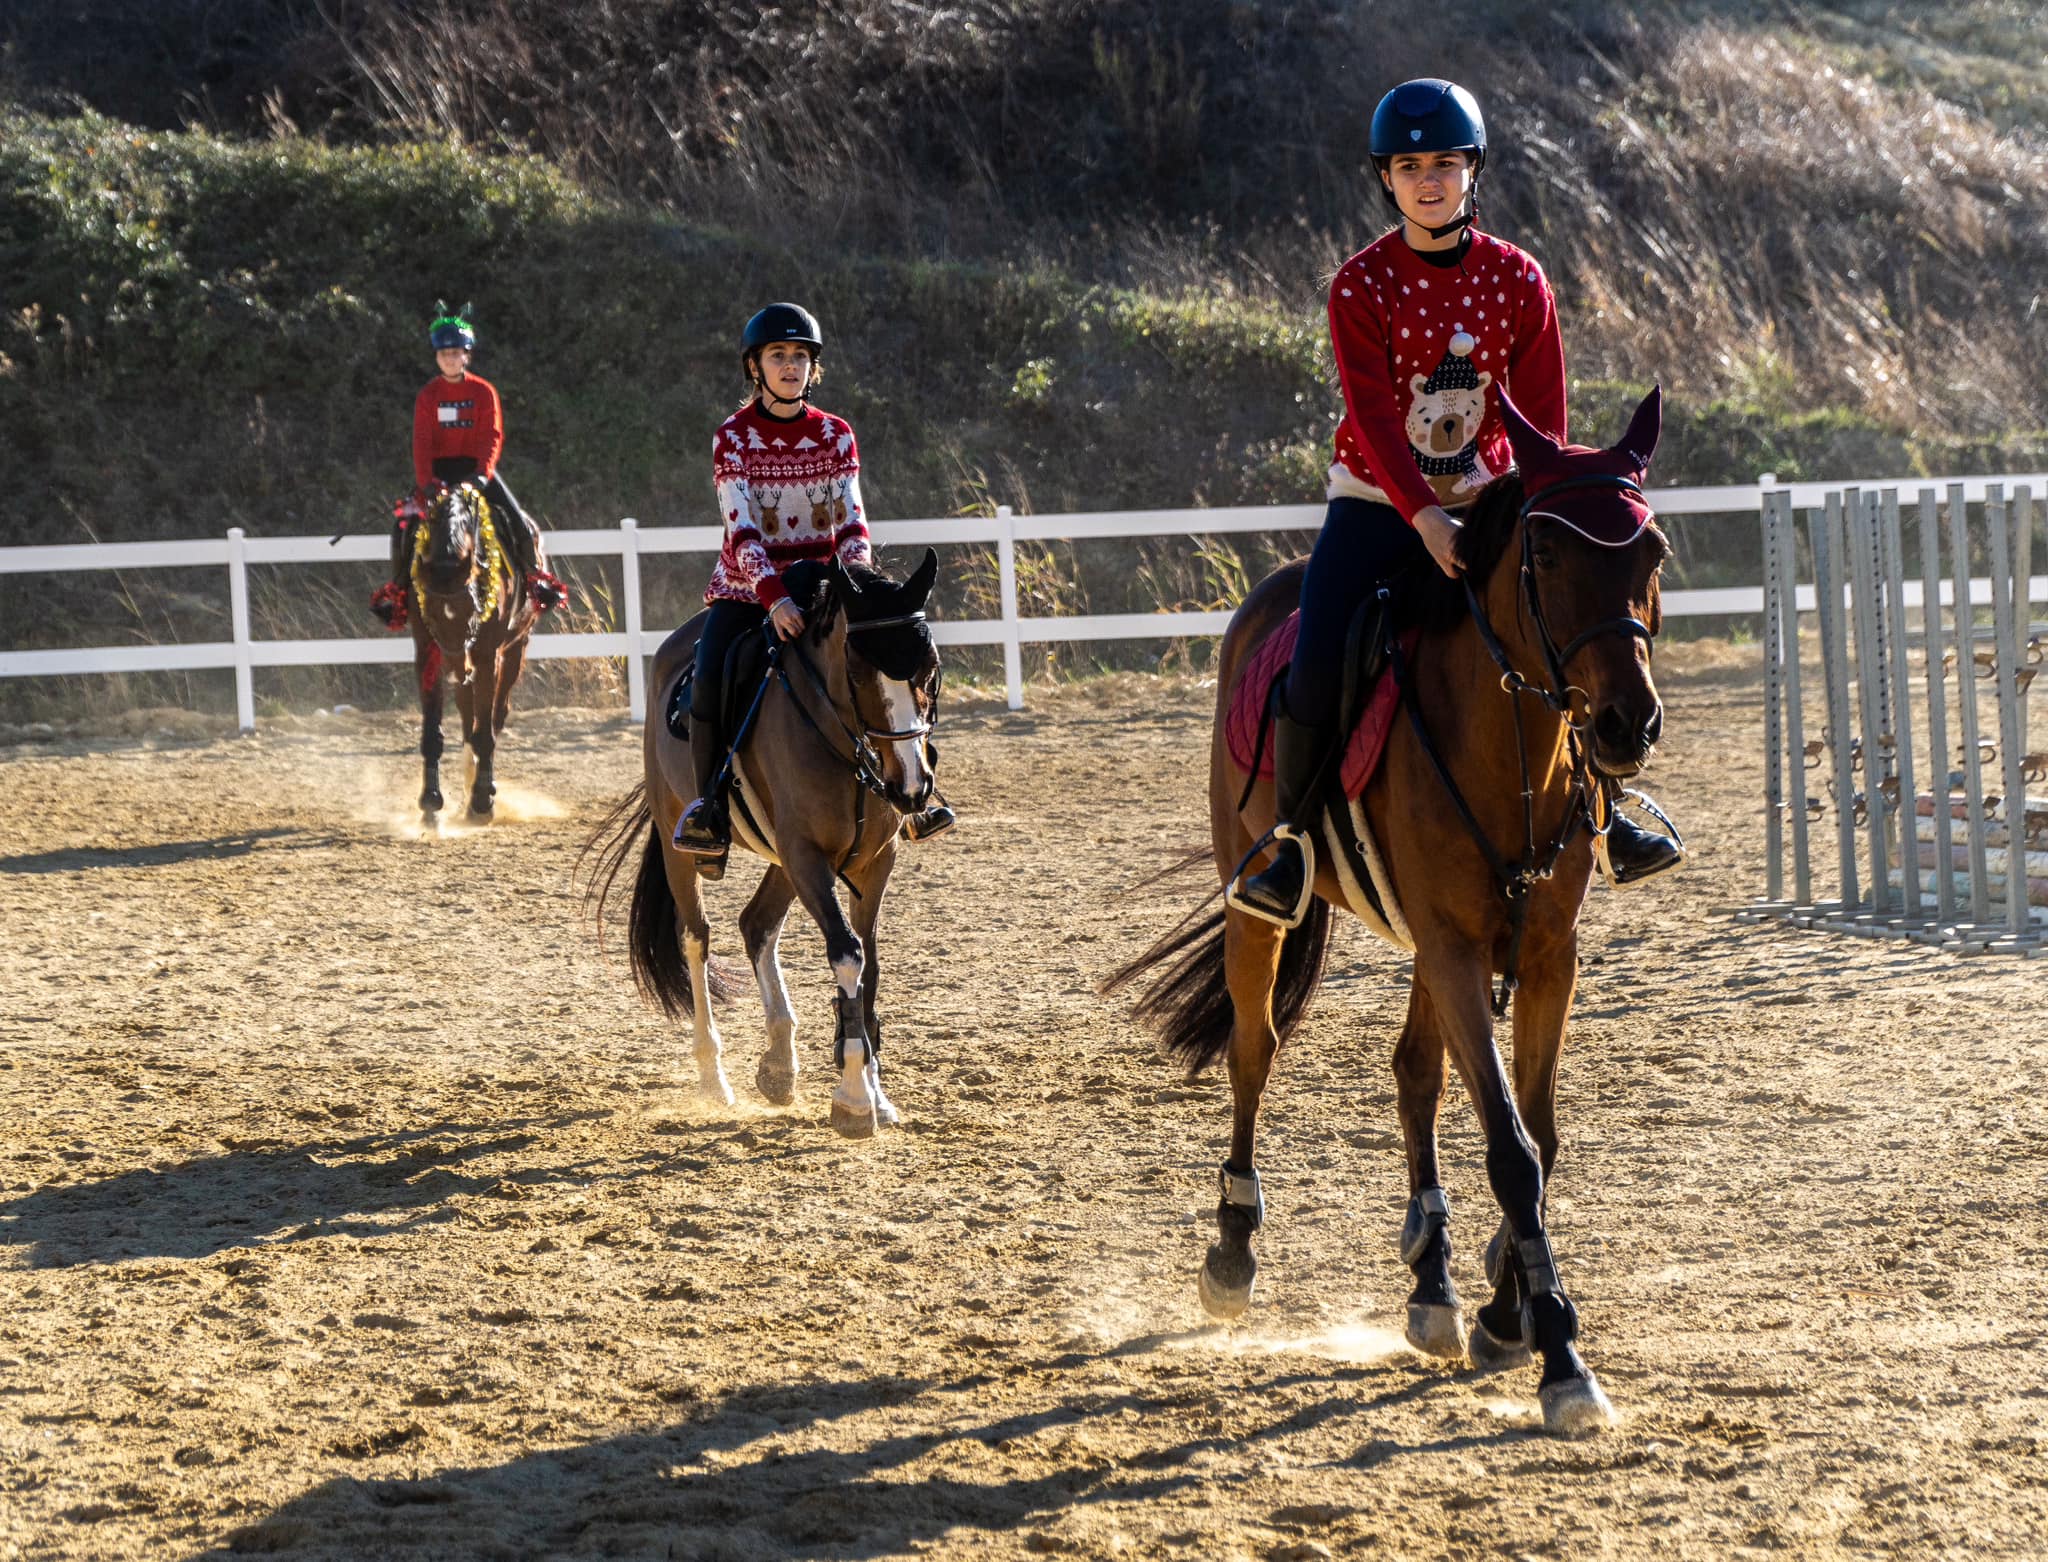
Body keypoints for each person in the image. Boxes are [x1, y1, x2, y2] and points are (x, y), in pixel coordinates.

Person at [1228, 78, 1684, 928]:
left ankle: (1609, 812)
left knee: (1570, 639)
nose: (1428, 179)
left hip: (1493, 503)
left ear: (1472, 170)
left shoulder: (1519, 279)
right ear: (1387, 179)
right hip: (1376, 502)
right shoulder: (1360, 286)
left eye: (1444, 162)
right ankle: (1288, 848)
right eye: (1409, 166)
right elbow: (1370, 413)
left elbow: (1544, 424)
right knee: (1319, 654)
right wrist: (1424, 517)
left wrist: (1526, 512)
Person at [672, 302, 954, 864]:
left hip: (828, 585)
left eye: (800, 356)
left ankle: (918, 793)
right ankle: (710, 812)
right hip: (749, 589)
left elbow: (853, 523)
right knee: (709, 677)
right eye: (778, 355)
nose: (790, 366)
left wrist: (854, 585)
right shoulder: (733, 438)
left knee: (903, 652)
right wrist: (773, 598)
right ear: (755, 367)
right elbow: (742, 529)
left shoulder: (836, 434)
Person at [371, 307, 564, 625]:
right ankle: (398, 594)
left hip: (476, 473)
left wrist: (481, 476)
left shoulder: (483, 392)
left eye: (456, 352)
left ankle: (535, 580)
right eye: (444, 353)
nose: (450, 358)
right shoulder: (428, 396)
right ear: (436, 357)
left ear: (466, 356)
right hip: (437, 475)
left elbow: (492, 436)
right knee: (403, 528)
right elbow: (421, 442)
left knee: (518, 521)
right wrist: (426, 482)